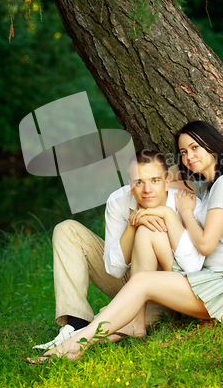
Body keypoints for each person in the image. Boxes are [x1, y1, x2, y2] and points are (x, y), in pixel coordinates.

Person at [27, 120, 223, 363]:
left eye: (195, 148)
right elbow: (162, 173)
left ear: (212, 145)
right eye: (183, 152)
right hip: (213, 279)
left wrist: (179, 213)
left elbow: (204, 246)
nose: (189, 156)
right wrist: (148, 189)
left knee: (143, 273)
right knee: (147, 232)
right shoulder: (206, 186)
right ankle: (113, 329)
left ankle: (75, 344)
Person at [32, 148, 204, 350]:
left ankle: (90, 329)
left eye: (155, 181)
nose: (147, 189)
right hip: (126, 277)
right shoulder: (118, 200)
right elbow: (114, 269)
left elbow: (195, 270)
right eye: (139, 182)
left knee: (122, 318)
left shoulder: (187, 204)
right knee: (67, 229)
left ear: (167, 181)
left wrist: (165, 216)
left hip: (165, 290)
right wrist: (133, 224)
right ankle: (76, 322)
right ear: (131, 185)